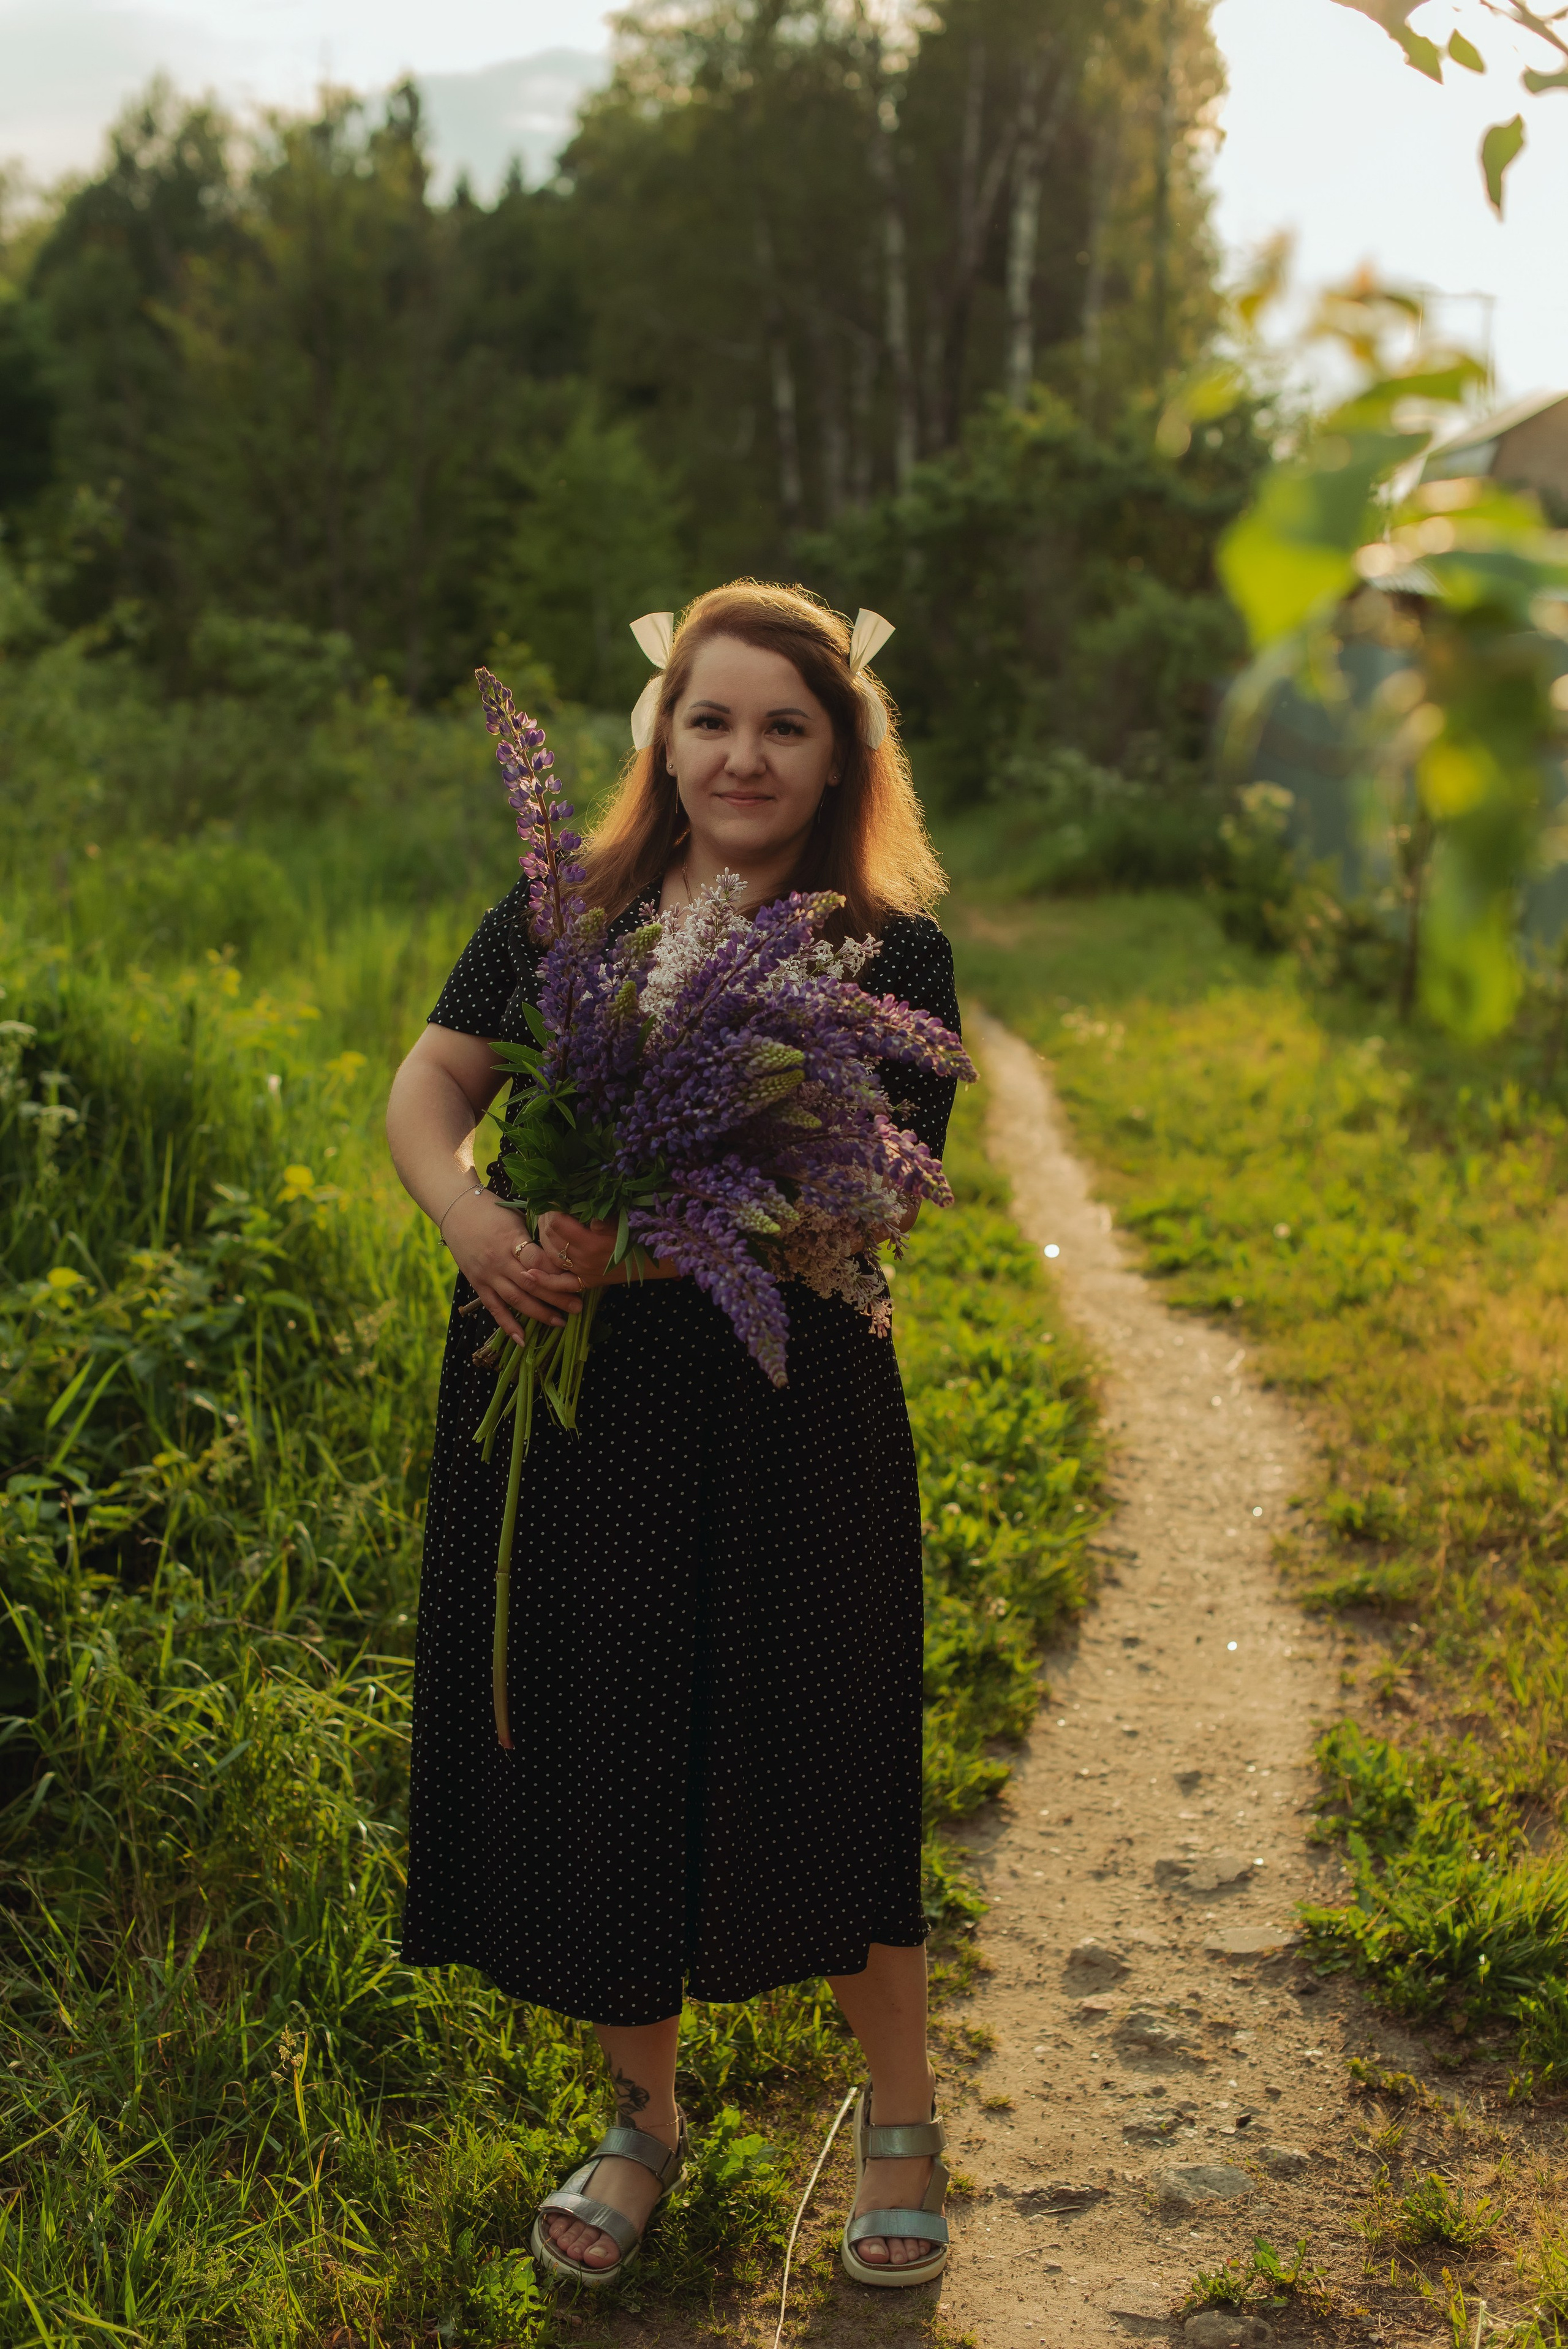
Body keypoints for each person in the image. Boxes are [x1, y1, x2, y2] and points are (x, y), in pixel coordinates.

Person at [385, 581, 960, 2291]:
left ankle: (906, 2111)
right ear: (665, 735)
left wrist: (627, 1233)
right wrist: (481, 1229)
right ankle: (645, 2117)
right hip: (575, 1413)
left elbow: (869, 1192)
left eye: (787, 723)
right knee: (609, 1741)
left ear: (840, 749)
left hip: (789, 1416)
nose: (744, 753)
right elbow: (431, 1089)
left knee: (825, 1734)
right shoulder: (576, 910)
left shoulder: (890, 954)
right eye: (711, 718)